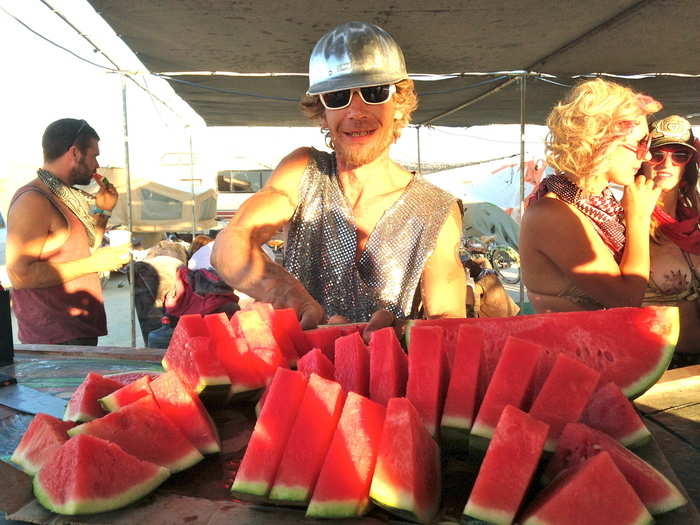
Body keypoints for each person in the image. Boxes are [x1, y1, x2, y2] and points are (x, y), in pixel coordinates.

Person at [212, 21, 466, 329]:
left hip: (394, 373)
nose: (355, 112)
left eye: (373, 93)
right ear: (322, 112)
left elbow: (451, 324)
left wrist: (400, 335)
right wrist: (288, 296)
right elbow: (231, 243)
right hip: (301, 372)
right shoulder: (303, 170)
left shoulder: (436, 208)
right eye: (337, 97)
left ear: (398, 103)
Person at [520, 79, 662, 313]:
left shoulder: (596, 205)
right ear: (601, 141)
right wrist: (638, 218)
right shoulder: (553, 214)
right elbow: (626, 299)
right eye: (639, 143)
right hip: (568, 348)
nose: (646, 156)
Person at [6, 118, 131, 345]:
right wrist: (95, 265)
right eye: (94, 156)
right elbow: (20, 275)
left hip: (76, 331)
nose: (97, 165)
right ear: (74, 153)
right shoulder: (33, 200)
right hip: (53, 341)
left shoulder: (65, 197)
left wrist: (103, 211)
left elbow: (86, 249)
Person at [642, 115, 700, 366]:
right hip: (663, 369)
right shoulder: (625, 228)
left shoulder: (694, 226)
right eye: (657, 154)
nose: (666, 162)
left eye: (679, 155)